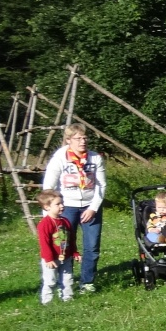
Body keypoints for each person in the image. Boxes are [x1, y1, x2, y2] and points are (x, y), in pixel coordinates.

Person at [41, 123, 106, 293]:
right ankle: (62, 282)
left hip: (91, 206)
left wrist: (93, 208)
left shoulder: (95, 158)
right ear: (68, 140)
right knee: (63, 244)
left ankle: (87, 282)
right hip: (66, 207)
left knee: (92, 246)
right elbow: (49, 187)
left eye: (85, 138)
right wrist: (48, 213)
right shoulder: (60, 159)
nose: (83, 141)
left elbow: (101, 185)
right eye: (78, 138)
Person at [35, 190, 75, 305]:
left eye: (62, 203)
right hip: (51, 259)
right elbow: (44, 243)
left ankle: (68, 299)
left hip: (66, 257)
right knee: (50, 280)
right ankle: (47, 301)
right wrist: (49, 259)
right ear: (47, 207)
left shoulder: (65, 221)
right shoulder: (45, 224)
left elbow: (71, 238)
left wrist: (75, 252)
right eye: (58, 204)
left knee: (67, 279)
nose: (62, 206)